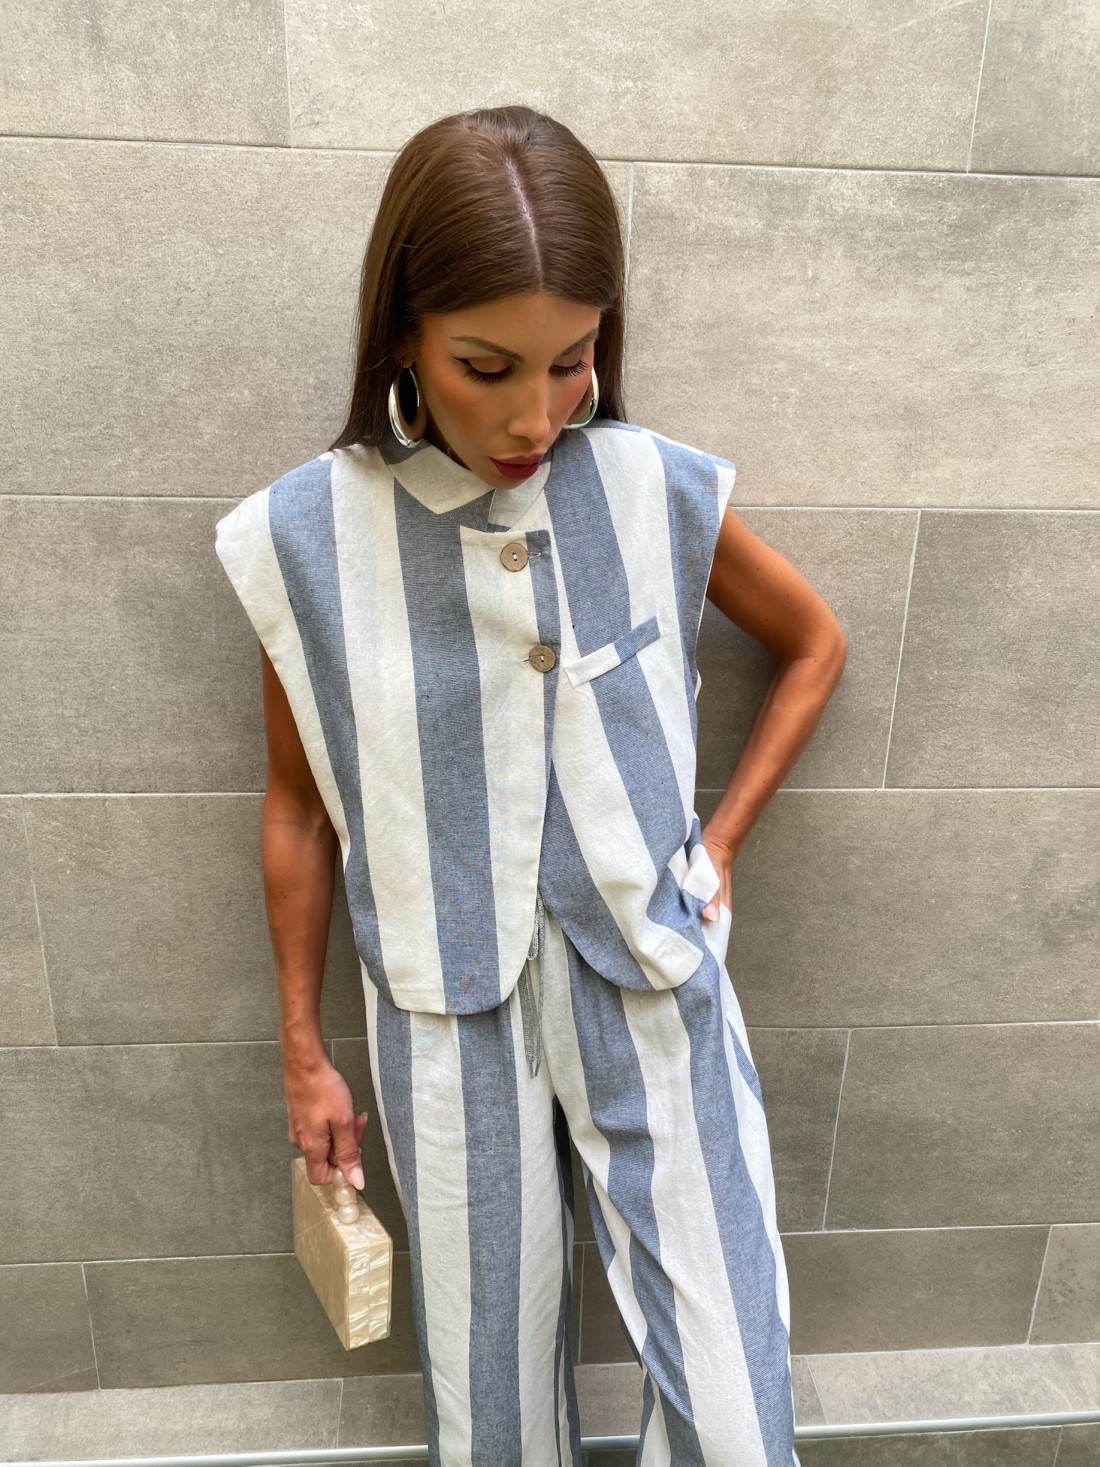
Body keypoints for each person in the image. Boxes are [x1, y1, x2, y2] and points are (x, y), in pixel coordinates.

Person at [215, 104, 845, 1467]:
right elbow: (298, 807)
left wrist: (723, 841)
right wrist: (303, 1054)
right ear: (403, 332)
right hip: (444, 1010)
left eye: (574, 360)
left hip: (652, 975)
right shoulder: (305, 536)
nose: (535, 414)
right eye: (487, 366)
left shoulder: (650, 485)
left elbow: (815, 643)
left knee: (740, 1409)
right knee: (489, 1409)